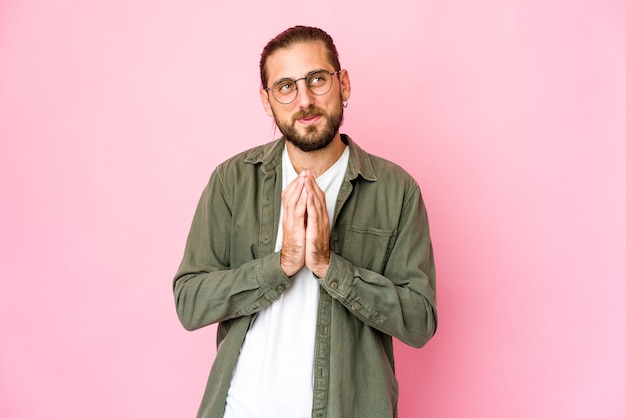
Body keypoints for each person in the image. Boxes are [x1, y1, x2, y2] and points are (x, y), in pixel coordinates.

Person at [173, 25, 437, 418]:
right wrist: (282, 263)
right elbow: (190, 302)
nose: (305, 100)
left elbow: (420, 320)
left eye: (317, 79)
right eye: (285, 86)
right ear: (267, 100)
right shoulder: (232, 181)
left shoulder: (396, 190)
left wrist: (330, 267)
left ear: (343, 84)